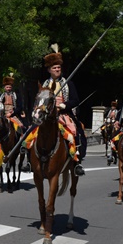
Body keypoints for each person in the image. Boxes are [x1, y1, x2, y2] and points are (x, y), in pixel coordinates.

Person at [41, 45, 86, 176]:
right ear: (49, 70)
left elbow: (75, 100)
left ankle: (77, 161)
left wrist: (64, 105)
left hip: (63, 114)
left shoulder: (67, 83)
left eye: (59, 68)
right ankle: (30, 159)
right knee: (33, 132)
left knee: (74, 132)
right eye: (54, 68)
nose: (57, 70)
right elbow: (39, 100)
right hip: (46, 114)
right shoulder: (44, 85)